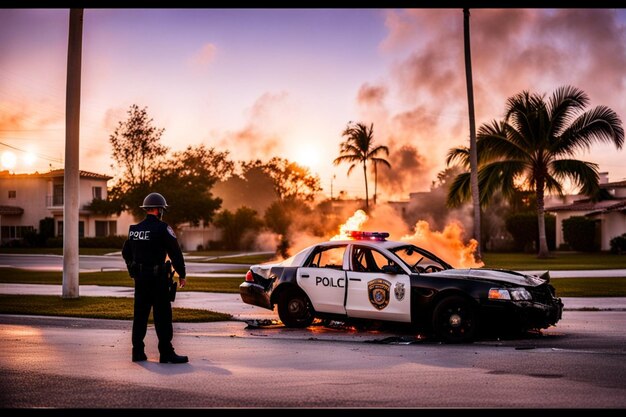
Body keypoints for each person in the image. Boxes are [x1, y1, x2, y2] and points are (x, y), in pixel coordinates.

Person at [122, 192, 188, 364]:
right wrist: (182, 273)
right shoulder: (162, 228)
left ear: (146, 210)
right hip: (158, 280)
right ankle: (166, 353)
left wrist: (132, 270)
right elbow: (175, 252)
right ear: (159, 210)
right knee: (162, 316)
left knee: (140, 316)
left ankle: (137, 352)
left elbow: (126, 252)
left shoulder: (135, 230)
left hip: (140, 280)